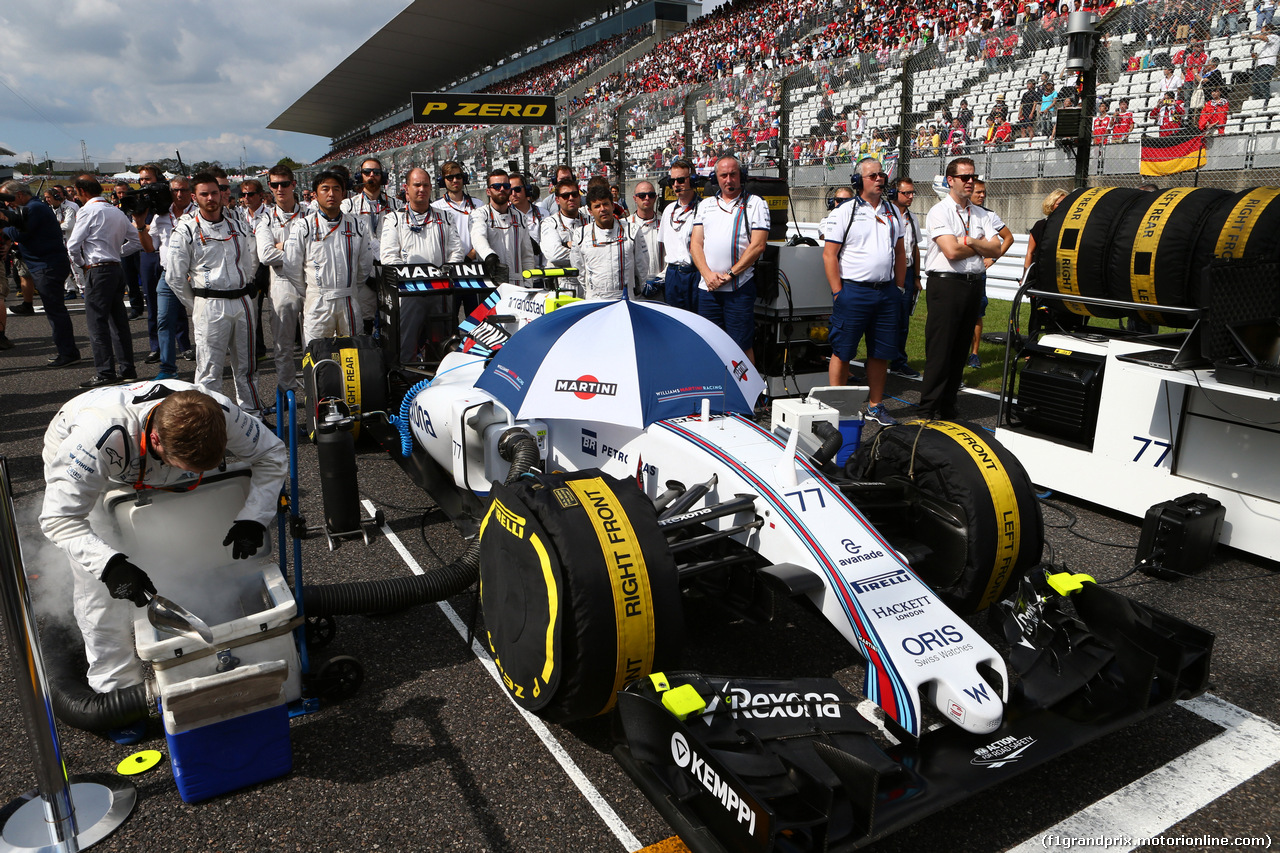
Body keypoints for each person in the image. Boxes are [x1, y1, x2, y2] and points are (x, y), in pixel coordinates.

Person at [39, 380, 287, 743]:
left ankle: (201, 646)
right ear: (156, 442)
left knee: (189, 539)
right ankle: (116, 690)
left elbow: (272, 454)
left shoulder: (221, 412)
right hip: (96, 469)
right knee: (99, 589)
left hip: (148, 461)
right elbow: (60, 518)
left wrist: (254, 516)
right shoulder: (96, 438)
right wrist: (110, 565)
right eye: (186, 464)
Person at [167, 172, 264, 417]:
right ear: (194, 197)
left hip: (242, 302)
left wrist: (245, 284)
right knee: (209, 370)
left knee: (247, 366)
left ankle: (253, 416)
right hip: (209, 304)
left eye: (214, 192)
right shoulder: (185, 230)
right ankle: (210, 423)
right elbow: (175, 277)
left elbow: (252, 259)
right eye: (204, 194)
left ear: (221, 194)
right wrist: (198, 303)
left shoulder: (238, 225)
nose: (211, 198)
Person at [918, 158, 1007, 421]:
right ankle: (927, 408)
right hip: (946, 284)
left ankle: (948, 404)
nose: (970, 181)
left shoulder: (981, 214)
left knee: (959, 349)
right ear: (951, 181)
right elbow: (951, 251)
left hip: (973, 283)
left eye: (973, 177)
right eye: (964, 177)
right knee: (940, 348)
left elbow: (997, 248)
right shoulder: (939, 211)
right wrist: (979, 244)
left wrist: (968, 240)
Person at [822, 158, 906, 426]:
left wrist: (900, 287)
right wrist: (838, 293)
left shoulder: (893, 211)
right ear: (859, 181)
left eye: (882, 175)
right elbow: (829, 255)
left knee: (881, 353)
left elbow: (901, 252)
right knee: (843, 350)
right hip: (853, 292)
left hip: (886, 293)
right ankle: (837, 406)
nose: (880, 179)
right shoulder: (844, 212)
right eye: (873, 176)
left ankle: (875, 405)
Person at [690, 155, 770, 365]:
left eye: (733, 174)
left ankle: (748, 396)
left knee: (741, 347)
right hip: (708, 289)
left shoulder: (756, 204)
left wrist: (730, 275)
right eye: (723, 175)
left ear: (741, 176)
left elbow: (758, 245)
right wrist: (708, 275)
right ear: (716, 179)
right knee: (709, 345)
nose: (728, 180)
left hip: (739, 289)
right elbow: (696, 244)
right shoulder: (705, 205)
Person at [381, 166, 464, 364]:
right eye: (416, 185)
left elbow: (456, 251)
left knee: (443, 343)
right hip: (409, 293)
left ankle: (441, 380)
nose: (422, 189)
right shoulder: (394, 219)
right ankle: (405, 381)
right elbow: (388, 257)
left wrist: (447, 270)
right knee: (405, 345)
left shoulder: (445, 217)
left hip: (441, 290)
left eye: (425, 185)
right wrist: (412, 278)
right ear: (406, 188)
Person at [282, 170, 374, 346]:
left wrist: (350, 289)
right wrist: (312, 291)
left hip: (348, 299)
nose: (331, 194)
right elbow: (291, 266)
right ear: (315, 195)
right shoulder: (304, 226)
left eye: (336, 189)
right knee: (317, 355)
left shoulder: (357, 225)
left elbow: (365, 266)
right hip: (318, 301)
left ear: (343, 194)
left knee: (352, 355)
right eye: (325, 189)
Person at [66, 175, 139, 388]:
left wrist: (83, 264)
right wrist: (117, 252)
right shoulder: (115, 210)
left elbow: (72, 245)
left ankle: (105, 371)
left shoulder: (87, 211)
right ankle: (128, 368)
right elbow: (135, 241)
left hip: (98, 269)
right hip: (116, 268)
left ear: (82, 191)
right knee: (119, 322)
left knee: (97, 322)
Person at [1, 181, 81, 364]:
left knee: (55, 312)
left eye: (8, 198)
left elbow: (20, 234)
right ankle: (67, 351)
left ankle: (68, 353)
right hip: (46, 264)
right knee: (55, 311)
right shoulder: (34, 206)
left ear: (20, 194)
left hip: (47, 266)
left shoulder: (34, 208)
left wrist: (3, 226)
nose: (7, 204)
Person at [256, 165, 308, 395]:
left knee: (312, 342)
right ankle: (287, 389)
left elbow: (318, 250)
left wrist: (283, 246)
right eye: (274, 184)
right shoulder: (265, 219)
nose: (279, 189)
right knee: (283, 345)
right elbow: (266, 255)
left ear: (293, 185)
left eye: (284, 184)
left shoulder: (310, 214)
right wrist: (298, 249)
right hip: (281, 282)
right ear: (269, 187)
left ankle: (314, 390)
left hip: (308, 281)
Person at [342, 157, 402, 333]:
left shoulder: (397, 205)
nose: (371, 176)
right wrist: (365, 275)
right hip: (362, 275)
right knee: (364, 320)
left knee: (393, 320)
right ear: (360, 176)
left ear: (382, 176)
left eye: (376, 172)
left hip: (390, 271)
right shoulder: (348, 206)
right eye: (367, 172)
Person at [149, 177, 196, 381]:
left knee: (204, 321)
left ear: (190, 192)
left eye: (184, 190)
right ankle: (168, 368)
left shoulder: (198, 213)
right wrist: (141, 225)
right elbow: (149, 246)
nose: (179, 194)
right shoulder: (160, 217)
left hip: (195, 276)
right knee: (164, 321)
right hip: (167, 276)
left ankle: (208, 364)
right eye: (176, 190)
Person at [967, 179, 1014, 369]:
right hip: (959, 271)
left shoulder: (989, 215)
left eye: (984, 192)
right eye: (978, 192)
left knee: (977, 314)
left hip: (978, 273)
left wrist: (993, 258)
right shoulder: (957, 213)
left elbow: (1008, 238)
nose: (982, 195)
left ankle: (974, 354)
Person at [470, 169, 536, 286]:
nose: (501, 190)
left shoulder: (520, 217)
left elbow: (527, 255)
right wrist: (489, 255)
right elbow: (478, 237)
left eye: (505, 186)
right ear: (488, 191)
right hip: (490, 283)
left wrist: (529, 283)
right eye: (496, 186)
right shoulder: (479, 214)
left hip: (517, 285)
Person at [570, 185, 636, 301]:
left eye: (605, 204)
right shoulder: (580, 234)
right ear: (590, 211)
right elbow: (579, 269)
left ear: (612, 206)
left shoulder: (632, 230)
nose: (603, 209)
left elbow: (641, 268)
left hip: (625, 299)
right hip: (595, 300)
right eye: (597, 206)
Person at [887, 177, 922, 380]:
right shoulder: (886, 214)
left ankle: (899, 361)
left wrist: (917, 276)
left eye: (912, 193)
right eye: (906, 193)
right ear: (894, 193)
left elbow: (915, 247)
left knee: (903, 319)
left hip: (907, 272)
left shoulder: (913, 218)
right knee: (881, 317)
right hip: (887, 272)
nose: (910, 197)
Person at [658, 159, 701, 311]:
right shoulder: (668, 210)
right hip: (673, 274)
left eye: (681, 180)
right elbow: (662, 246)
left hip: (695, 273)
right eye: (672, 181)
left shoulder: (704, 209)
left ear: (694, 180)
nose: (676, 184)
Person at [540, 177, 588, 293]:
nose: (571, 198)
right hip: (562, 286)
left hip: (588, 284)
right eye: (565, 196)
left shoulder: (590, 219)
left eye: (574, 194)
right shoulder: (550, 223)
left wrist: (568, 246)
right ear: (557, 200)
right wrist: (587, 253)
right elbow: (555, 255)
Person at [431, 161, 482, 261]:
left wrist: (470, 256)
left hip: (476, 264)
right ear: (442, 181)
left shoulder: (478, 204)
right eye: (450, 177)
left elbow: (485, 235)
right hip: (448, 264)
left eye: (458, 176)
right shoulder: (435, 208)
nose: (455, 180)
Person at [1023, 189, 1069, 273]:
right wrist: (1025, 276)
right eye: (1059, 204)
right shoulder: (1040, 225)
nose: (1063, 206)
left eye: (1066, 203)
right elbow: (1030, 252)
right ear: (1051, 205)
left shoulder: (1070, 226)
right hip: (1041, 271)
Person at [628, 181, 662, 288]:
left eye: (651, 195)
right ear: (635, 198)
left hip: (660, 288)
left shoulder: (665, 223)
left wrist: (660, 280)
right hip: (634, 289)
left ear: (655, 198)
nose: (647, 198)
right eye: (642, 196)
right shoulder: (625, 225)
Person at [507, 173, 544, 268]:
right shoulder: (504, 216)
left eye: (517, 189)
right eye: (510, 191)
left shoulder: (543, 213)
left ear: (527, 190)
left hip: (542, 274)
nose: (514, 194)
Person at [1249, 23, 1280, 100]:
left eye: (1263, 31)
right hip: (1260, 64)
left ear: (1269, 30)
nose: (1261, 32)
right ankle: (1257, 99)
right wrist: (1256, 56)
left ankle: (1266, 99)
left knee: (1263, 81)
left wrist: (1249, 36)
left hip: (1268, 63)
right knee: (1255, 82)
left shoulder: (1274, 37)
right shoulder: (1264, 44)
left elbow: (1263, 38)